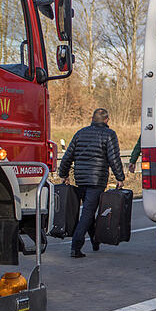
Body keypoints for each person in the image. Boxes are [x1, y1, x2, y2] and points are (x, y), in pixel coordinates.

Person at [57, 108, 125, 258]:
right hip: (97, 180)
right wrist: (120, 178)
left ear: (92, 119)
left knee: (89, 211)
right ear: (107, 120)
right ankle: (76, 246)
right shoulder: (109, 134)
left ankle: (95, 241)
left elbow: (68, 156)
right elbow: (114, 158)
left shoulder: (80, 133)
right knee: (88, 212)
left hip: (81, 179)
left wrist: (63, 174)